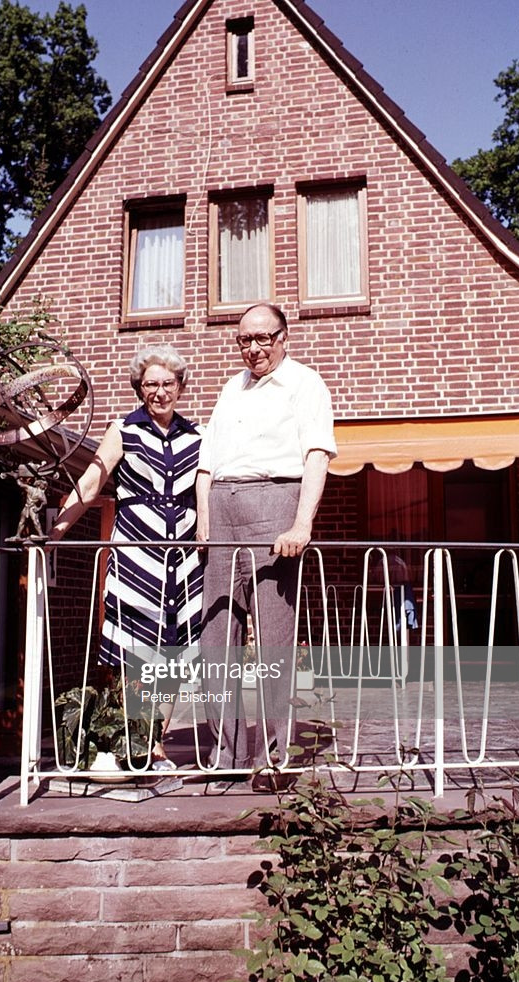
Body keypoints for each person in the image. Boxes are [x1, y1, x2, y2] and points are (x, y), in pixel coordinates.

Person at [195, 302, 336, 779]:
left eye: (262, 338)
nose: (252, 348)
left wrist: (302, 525)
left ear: (282, 337)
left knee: (274, 637)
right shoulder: (231, 389)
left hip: (274, 504)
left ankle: (274, 757)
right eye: (244, 340)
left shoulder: (305, 383)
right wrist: (203, 516)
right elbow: (207, 461)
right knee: (217, 635)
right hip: (222, 509)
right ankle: (225, 757)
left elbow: (317, 455)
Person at [50, 345, 203, 768]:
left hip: (183, 556)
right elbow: (93, 479)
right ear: (139, 388)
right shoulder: (123, 429)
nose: (159, 392)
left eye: (167, 383)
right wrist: (57, 529)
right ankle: (135, 736)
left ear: (180, 387)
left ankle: (156, 743)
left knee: (173, 647)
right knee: (135, 647)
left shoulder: (197, 435)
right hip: (136, 549)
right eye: (150, 384)